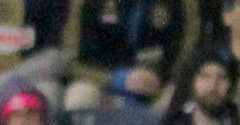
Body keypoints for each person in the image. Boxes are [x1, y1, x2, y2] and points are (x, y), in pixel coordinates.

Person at [60, 0, 203, 110]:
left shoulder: (183, 3)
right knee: (79, 98)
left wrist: (161, 78)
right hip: (101, 82)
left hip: (158, 85)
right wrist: (117, 79)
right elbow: (72, 60)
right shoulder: (86, 3)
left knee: (174, 101)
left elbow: (186, 54)